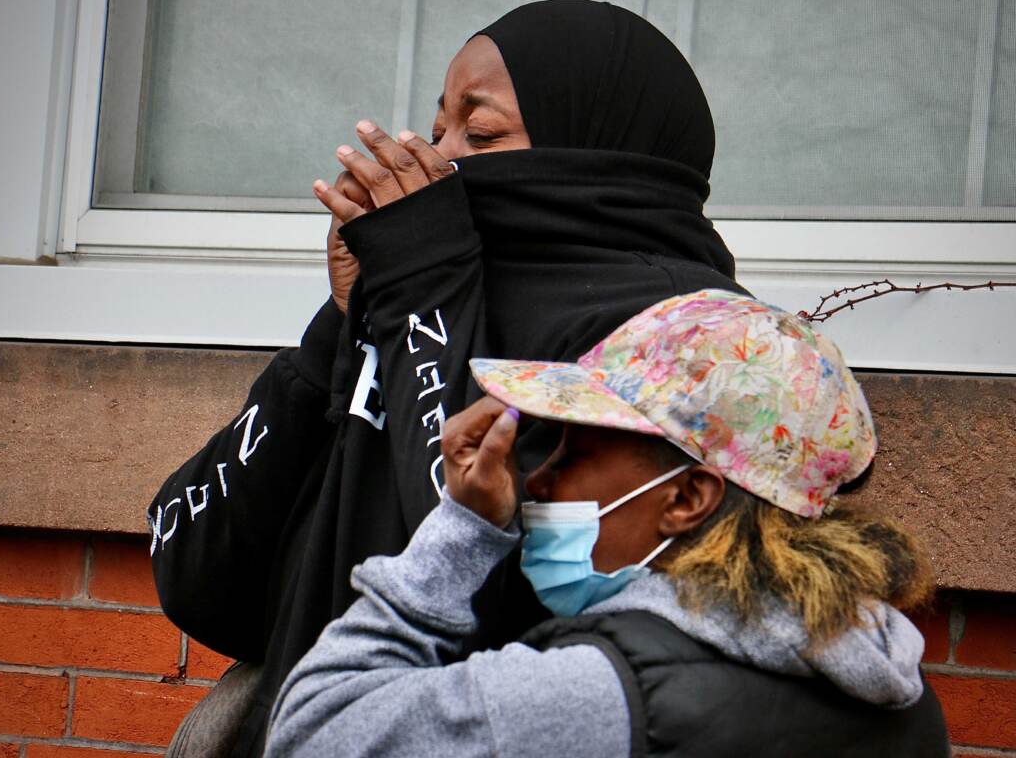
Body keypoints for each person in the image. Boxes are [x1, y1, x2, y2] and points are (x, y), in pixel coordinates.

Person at [148, 0, 745, 755]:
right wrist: (340, 322)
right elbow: (197, 574)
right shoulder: (413, 287)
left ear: (598, 146)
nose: (436, 162)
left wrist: (427, 289)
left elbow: (506, 590)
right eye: (437, 133)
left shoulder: (683, 334)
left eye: (481, 132)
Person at [265, 289, 949, 757]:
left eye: (576, 452)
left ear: (687, 498)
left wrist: (463, 532)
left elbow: (311, 734)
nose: (538, 478)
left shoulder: (597, 692)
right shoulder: (901, 693)